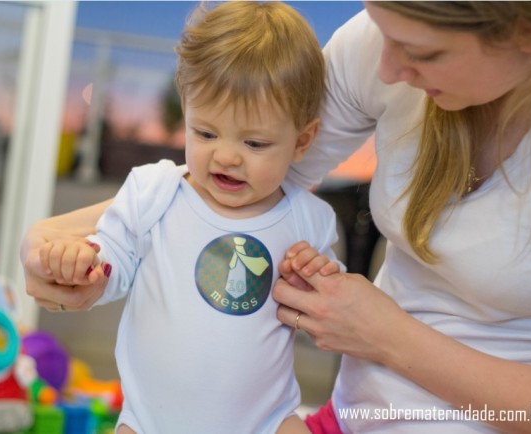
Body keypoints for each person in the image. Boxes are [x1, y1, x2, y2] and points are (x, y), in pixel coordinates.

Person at [21, 1, 531, 433]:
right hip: (350, 410)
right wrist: (61, 238)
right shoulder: (381, 39)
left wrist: (381, 329)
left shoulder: (314, 221)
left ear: (527, 32)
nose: (387, 68)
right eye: (203, 133)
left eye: (424, 53)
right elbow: (241, 185)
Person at [28, 2, 344, 433]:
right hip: (149, 421)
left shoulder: (310, 220)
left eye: (254, 143)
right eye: (206, 133)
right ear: (187, 114)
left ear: (302, 141)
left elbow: (326, 310)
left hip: (266, 423)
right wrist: (82, 264)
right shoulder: (155, 191)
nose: (226, 156)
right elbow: (111, 262)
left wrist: (317, 281)